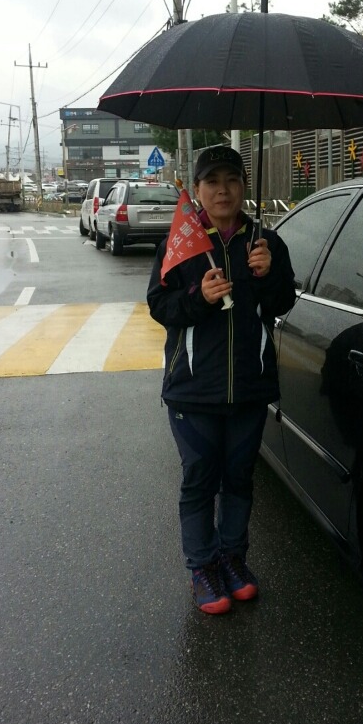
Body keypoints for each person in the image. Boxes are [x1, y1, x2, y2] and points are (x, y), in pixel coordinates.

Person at [147, 146, 296, 615]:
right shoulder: (182, 242)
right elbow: (159, 305)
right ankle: (202, 567)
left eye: (232, 179)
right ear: (197, 189)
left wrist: (268, 276)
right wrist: (200, 297)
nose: (223, 190)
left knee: (239, 479)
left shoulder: (265, 243)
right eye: (212, 181)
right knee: (199, 480)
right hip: (193, 390)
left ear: (244, 186)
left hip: (249, 386)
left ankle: (232, 560)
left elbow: (282, 303)